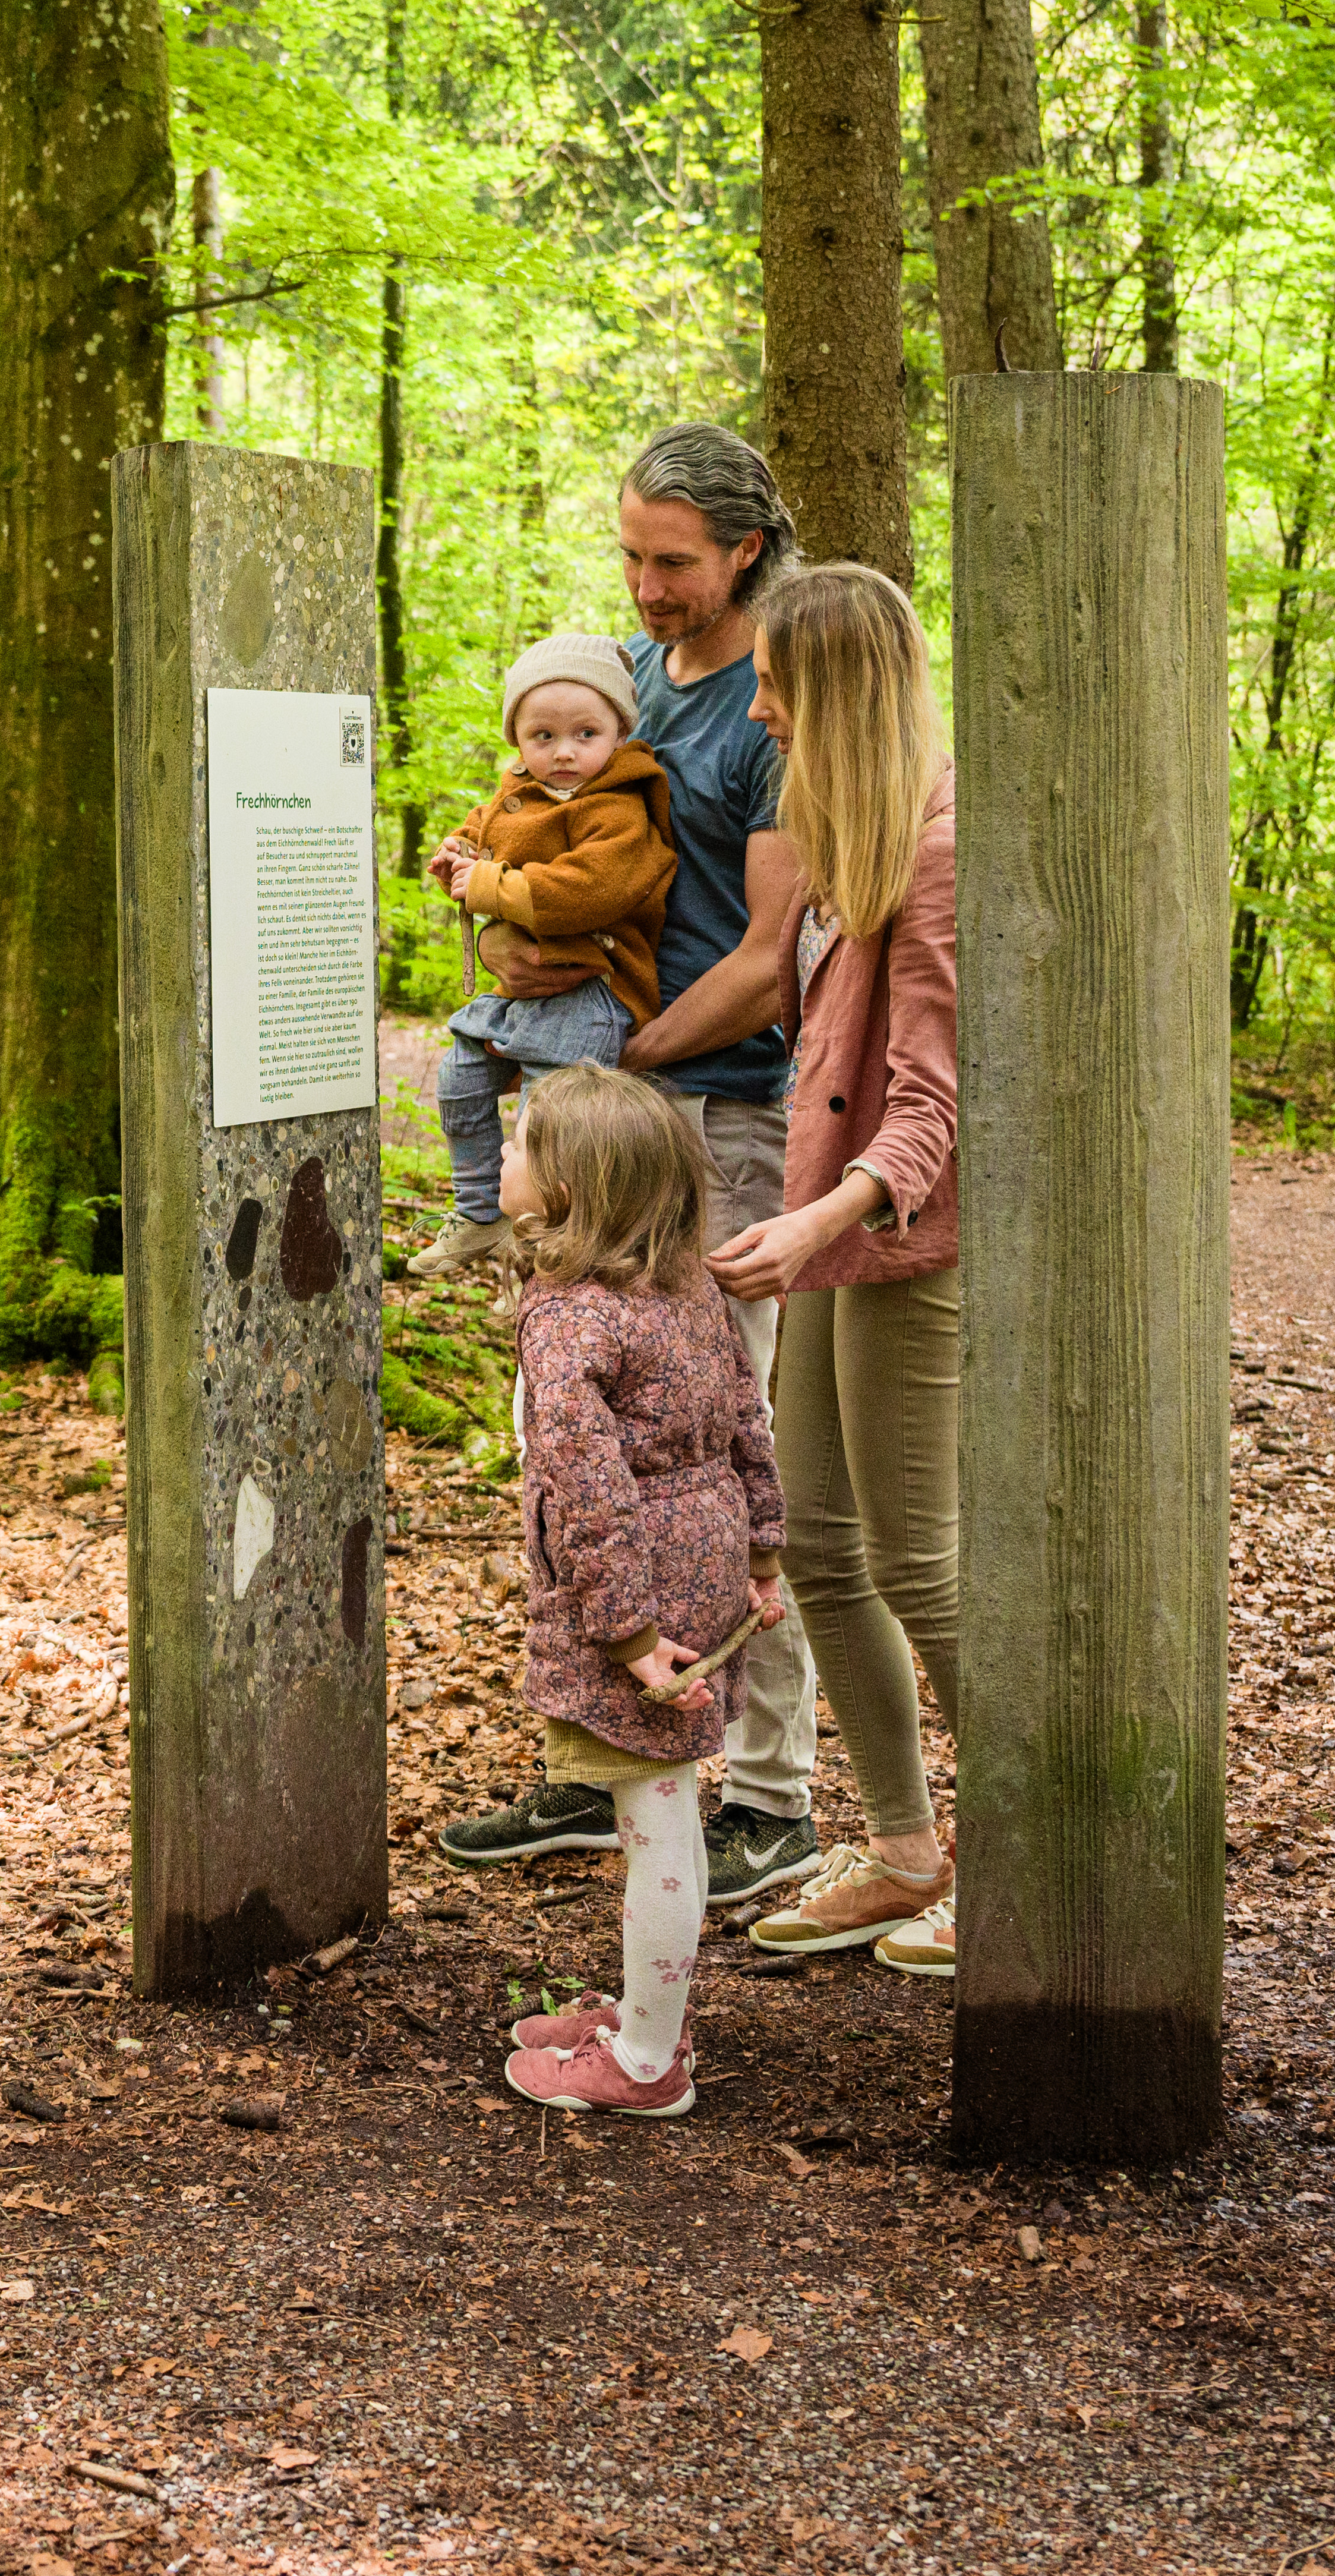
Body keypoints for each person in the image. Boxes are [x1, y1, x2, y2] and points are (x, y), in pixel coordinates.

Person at [435, 424, 821, 1906]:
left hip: (713, 1118)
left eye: (672, 561)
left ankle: (771, 1793)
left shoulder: (766, 709)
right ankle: (602, 1761)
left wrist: (619, 1061)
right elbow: (536, 858)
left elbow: (766, 962)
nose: (647, 588)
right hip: (591, 1117)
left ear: (741, 549)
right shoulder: (611, 685)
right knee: (566, 1432)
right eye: (630, 557)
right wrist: (503, 941)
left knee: (723, 1453)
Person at [708, 563, 964, 1979]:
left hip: (904, 1246)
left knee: (917, 1558)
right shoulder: (841, 842)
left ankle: (1029, 1858)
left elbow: (928, 1102)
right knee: (811, 1540)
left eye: (776, 687)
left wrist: (817, 1225)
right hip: (827, 1238)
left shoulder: (934, 851)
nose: (757, 710)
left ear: (839, 694)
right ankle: (904, 1848)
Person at [488, 1065, 786, 2120]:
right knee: (669, 1805)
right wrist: (762, 1547)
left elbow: (585, 1483)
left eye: (520, 1143)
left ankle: (649, 2059)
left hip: (641, 1589)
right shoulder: (688, 1284)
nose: (504, 1156)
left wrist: (624, 1633)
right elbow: (750, 1412)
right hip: (705, 1560)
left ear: (569, 1186)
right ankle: (645, 2008)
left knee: (654, 1813)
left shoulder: (569, 1315)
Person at [409, 636, 677, 1279]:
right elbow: (483, 825)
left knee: (548, 1126)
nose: (564, 751)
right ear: (518, 739)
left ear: (618, 733)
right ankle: (479, 1212)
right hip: (526, 989)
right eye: (543, 735)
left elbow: (590, 890)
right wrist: (459, 851)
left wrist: (491, 887)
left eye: (586, 733)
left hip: (594, 988)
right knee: (458, 1082)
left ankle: (553, 1233)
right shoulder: (520, 791)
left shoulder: (619, 807)